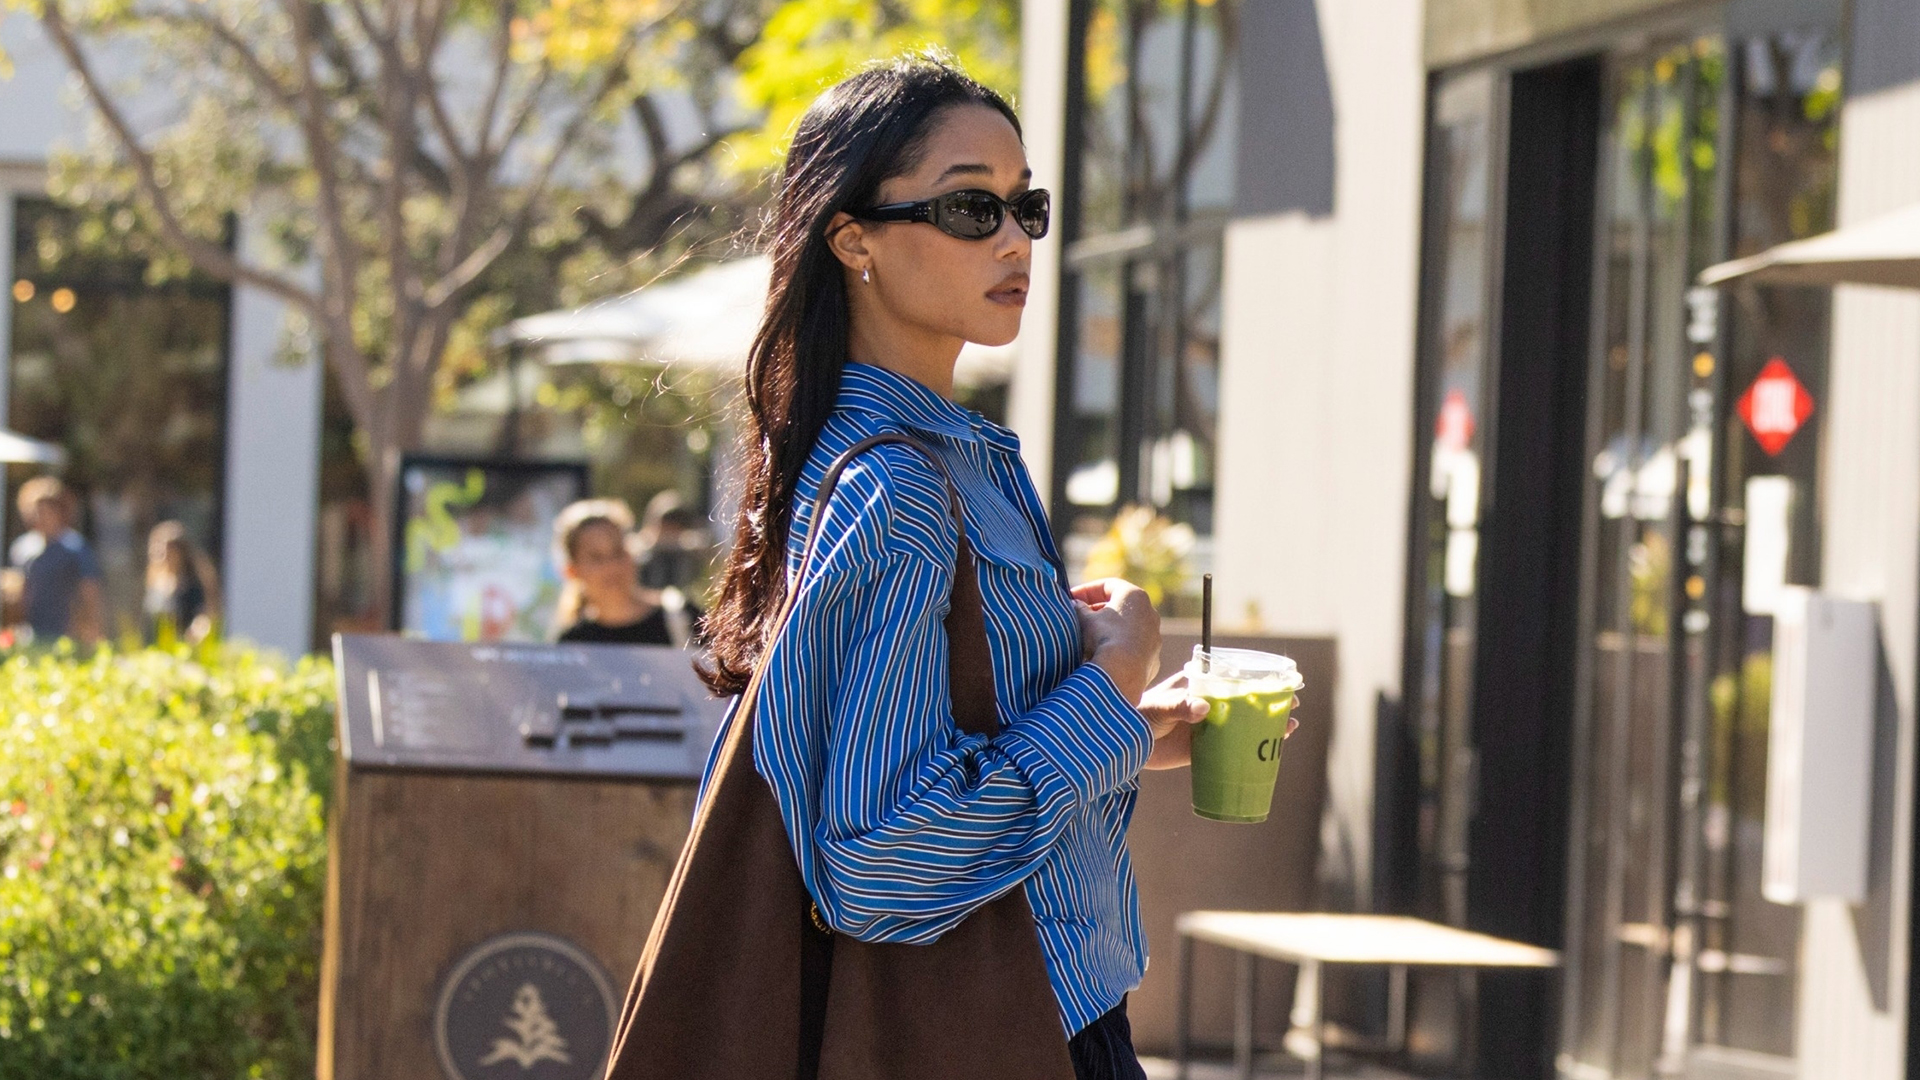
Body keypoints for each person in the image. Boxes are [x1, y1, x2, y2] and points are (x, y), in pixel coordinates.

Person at [696, 57, 1265, 1079]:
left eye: (1024, 206)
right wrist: (1113, 673)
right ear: (852, 237)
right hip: (997, 1031)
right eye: (970, 208)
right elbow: (880, 856)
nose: (1013, 239)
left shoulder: (955, 459)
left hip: (1053, 1009)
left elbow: (952, 747)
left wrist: (1130, 732)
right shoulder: (901, 491)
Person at [552, 499, 698, 647]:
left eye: (618, 552)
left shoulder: (684, 618)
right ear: (572, 571)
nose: (611, 566)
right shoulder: (570, 644)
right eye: (596, 557)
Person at [10, 476, 103, 647]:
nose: (41, 517)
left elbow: (89, 591)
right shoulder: (21, 549)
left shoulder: (76, 548)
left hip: (67, 635)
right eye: (36, 511)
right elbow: (18, 592)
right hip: (31, 634)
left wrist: (91, 629)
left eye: (46, 511)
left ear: (60, 512)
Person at [144, 521, 223, 643]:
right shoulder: (154, 582)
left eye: (167, 548)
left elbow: (205, 614)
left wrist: (198, 630)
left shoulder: (192, 585)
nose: (161, 553)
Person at [631, 489, 707, 592]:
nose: (670, 529)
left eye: (677, 523)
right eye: (666, 522)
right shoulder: (639, 551)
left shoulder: (690, 550)